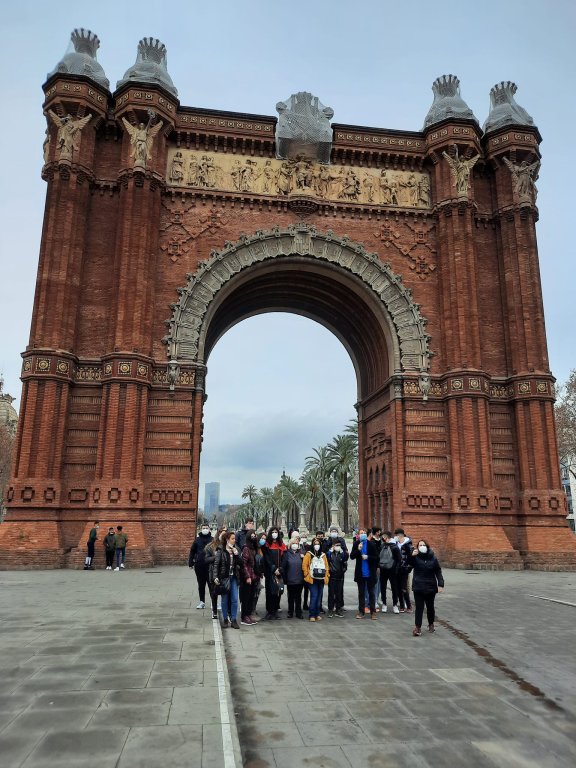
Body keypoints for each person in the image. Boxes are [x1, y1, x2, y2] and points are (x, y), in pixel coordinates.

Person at [409, 539, 444, 636]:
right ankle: (418, 627)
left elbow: (438, 571)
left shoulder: (433, 557)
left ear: (427, 546)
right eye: (420, 545)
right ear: (417, 547)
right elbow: (408, 565)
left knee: (430, 607)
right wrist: (411, 556)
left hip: (430, 586)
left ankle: (431, 623)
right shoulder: (415, 557)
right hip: (418, 586)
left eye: (423, 545)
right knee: (419, 608)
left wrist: (440, 584)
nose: (422, 547)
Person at [213, 531, 244, 629]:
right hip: (224, 578)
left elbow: (241, 563)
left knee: (234, 599)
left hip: (234, 577)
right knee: (224, 599)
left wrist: (236, 554)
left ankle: (234, 619)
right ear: (227, 540)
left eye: (235, 539)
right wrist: (215, 577)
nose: (234, 540)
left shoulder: (236, 549)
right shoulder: (221, 550)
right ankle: (225, 619)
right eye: (232, 539)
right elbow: (216, 564)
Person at [350, 527, 379, 619]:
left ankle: (373, 612)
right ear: (358, 535)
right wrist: (358, 550)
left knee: (371, 593)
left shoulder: (371, 544)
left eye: (364, 533)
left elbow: (377, 558)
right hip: (360, 573)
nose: (362, 534)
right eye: (361, 533)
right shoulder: (356, 544)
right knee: (361, 593)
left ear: (367, 534)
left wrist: (368, 557)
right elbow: (352, 556)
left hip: (370, 573)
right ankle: (361, 611)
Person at [303, 537, 330, 622]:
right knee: (314, 596)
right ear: (312, 545)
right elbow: (304, 565)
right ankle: (312, 614)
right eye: (315, 544)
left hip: (321, 579)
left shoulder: (323, 555)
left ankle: (317, 614)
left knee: (319, 597)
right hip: (312, 579)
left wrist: (327, 575)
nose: (317, 546)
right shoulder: (309, 554)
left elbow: (326, 566)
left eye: (318, 544)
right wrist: (307, 574)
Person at [262, 526, 286, 620]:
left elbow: (284, 558)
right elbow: (267, 558)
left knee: (277, 591)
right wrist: (273, 569)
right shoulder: (267, 545)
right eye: (273, 532)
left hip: (279, 572)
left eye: (276, 532)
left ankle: (275, 611)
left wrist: (280, 569)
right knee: (269, 592)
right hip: (270, 572)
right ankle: (269, 611)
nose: (274, 534)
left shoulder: (281, 544)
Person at [188, 524, 213, 609]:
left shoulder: (212, 540)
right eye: (203, 528)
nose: (205, 529)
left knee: (211, 585)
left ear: (209, 529)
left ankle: (213, 602)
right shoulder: (197, 540)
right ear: (201, 529)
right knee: (201, 584)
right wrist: (191, 563)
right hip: (199, 565)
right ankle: (202, 602)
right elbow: (192, 551)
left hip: (210, 566)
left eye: (206, 528)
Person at [281, 537, 305, 619]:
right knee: (290, 597)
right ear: (290, 544)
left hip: (299, 579)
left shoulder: (301, 554)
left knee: (298, 597)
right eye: (293, 543)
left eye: (296, 544)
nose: (295, 545)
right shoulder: (286, 554)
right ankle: (290, 612)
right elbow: (283, 566)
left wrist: (303, 558)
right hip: (290, 579)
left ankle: (298, 612)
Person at [240, 530, 260, 625]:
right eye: (252, 536)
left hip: (254, 576)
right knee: (246, 598)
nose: (254, 538)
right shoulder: (246, 548)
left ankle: (248, 615)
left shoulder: (254, 548)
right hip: (247, 577)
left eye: (254, 536)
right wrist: (247, 576)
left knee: (251, 597)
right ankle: (244, 617)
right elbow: (243, 564)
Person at [379, 531, 401, 613]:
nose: (382, 538)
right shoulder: (382, 546)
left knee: (394, 588)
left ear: (387, 537)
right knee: (383, 587)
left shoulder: (394, 547)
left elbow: (399, 559)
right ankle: (384, 603)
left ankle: (395, 604)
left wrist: (396, 569)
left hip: (392, 570)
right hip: (383, 569)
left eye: (383, 537)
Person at [205, 529, 225, 619]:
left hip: (225, 573)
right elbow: (206, 559)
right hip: (214, 572)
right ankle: (214, 610)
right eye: (221, 532)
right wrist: (216, 556)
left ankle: (226, 613)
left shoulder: (229, 545)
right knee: (214, 593)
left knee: (226, 592)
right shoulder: (211, 546)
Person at [327, 536, 348, 617]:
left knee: (339, 594)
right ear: (333, 546)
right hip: (332, 576)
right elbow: (327, 561)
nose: (338, 547)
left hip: (340, 576)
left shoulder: (342, 553)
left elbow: (345, 561)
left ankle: (338, 609)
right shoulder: (330, 553)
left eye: (339, 545)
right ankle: (330, 609)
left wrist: (343, 570)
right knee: (331, 594)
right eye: (336, 545)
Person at [394, 528, 413, 613]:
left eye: (396, 535)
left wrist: (408, 567)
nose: (395, 537)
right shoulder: (395, 544)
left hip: (404, 569)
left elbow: (411, 557)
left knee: (404, 588)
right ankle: (401, 605)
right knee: (398, 588)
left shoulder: (408, 544)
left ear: (400, 535)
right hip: (396, 569)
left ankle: (409, 605)